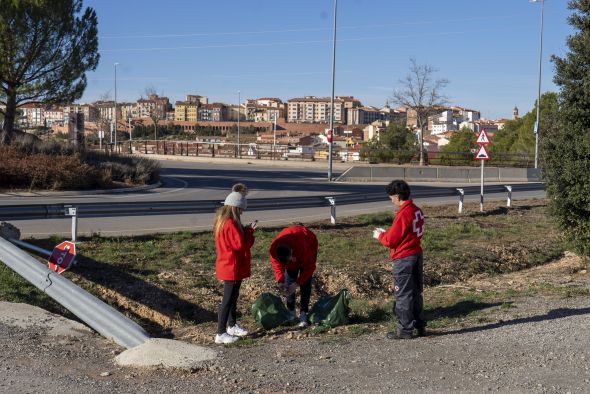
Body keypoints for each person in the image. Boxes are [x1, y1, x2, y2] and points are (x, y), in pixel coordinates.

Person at [373, 180, 426, 340]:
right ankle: (420, 325)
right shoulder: (416, 210)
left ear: (397, 196)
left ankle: (404, 329)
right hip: (416, 253)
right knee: (416, 292)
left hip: (404, 257)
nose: (391, 200)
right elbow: (405, 233)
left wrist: (380, 235)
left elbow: (391, 240)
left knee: (402, 294)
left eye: (391, 197)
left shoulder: (403, 213)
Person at [213, 183, 257, 344]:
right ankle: (221, 333)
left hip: (228, 264)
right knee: (227, 300)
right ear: (235, 208)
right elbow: (240, 245)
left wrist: (244, 231)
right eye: (241, 210)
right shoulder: (230, 223)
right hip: (231, 265)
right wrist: (250, 232)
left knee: (232, 298)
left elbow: (235, 241)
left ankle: (231, 326)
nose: (242, 212)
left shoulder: (222, 221)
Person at [269, 225, 318, 327]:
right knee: (289, 280)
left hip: (309, 244)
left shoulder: (301, 246)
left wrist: (297, 284)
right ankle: (291, 311)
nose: (291, 261)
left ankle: (303, 313)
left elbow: (310, 267)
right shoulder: (273, 250)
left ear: (291, 252)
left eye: (290, 259)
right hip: (292, 249)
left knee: (305, 281)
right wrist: (280, 281)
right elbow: (277, 266)